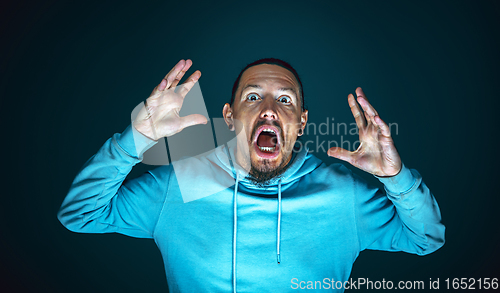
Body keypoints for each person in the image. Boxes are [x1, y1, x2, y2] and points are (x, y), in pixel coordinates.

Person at [58, 58, 445, 292]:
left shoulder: (343, 195)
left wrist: (395, 176)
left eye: (286, 99)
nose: (270, 109)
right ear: (229, 117)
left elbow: (426, 238)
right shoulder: (181, 183)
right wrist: (135, 140)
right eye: (253, 96)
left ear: (302, 122)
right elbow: (80, 214)